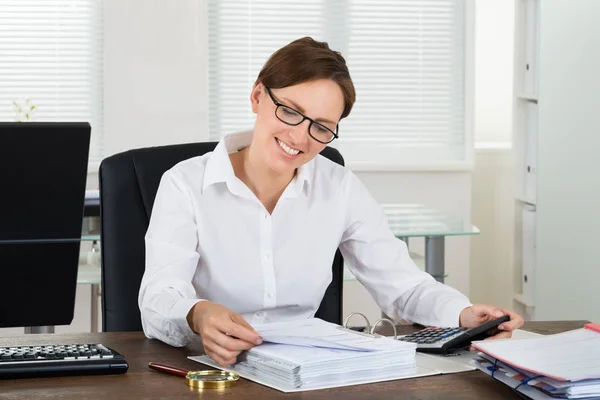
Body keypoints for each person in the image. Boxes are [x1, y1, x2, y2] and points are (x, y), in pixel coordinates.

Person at [139, 37, 524, 367]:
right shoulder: (185, 183)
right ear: (258, 96)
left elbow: (402, 286)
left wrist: (464, 314)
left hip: (309, 367)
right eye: (290, 111)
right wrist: (197, 313)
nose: (300, 136)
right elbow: (159, 297)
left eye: (321, 127)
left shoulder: (339, 187)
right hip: (205, 368)